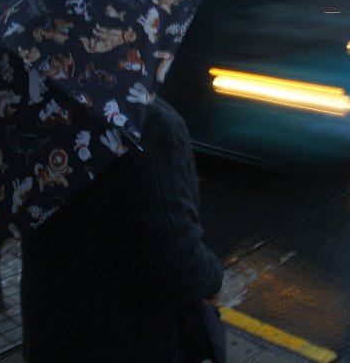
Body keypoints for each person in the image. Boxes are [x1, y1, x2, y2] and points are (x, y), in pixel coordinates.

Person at [20, 97, 224, 362]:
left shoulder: (30, 117)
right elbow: (180, 269)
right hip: (127, 343)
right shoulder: (148, 124)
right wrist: (212, 278)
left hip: (49, 337)